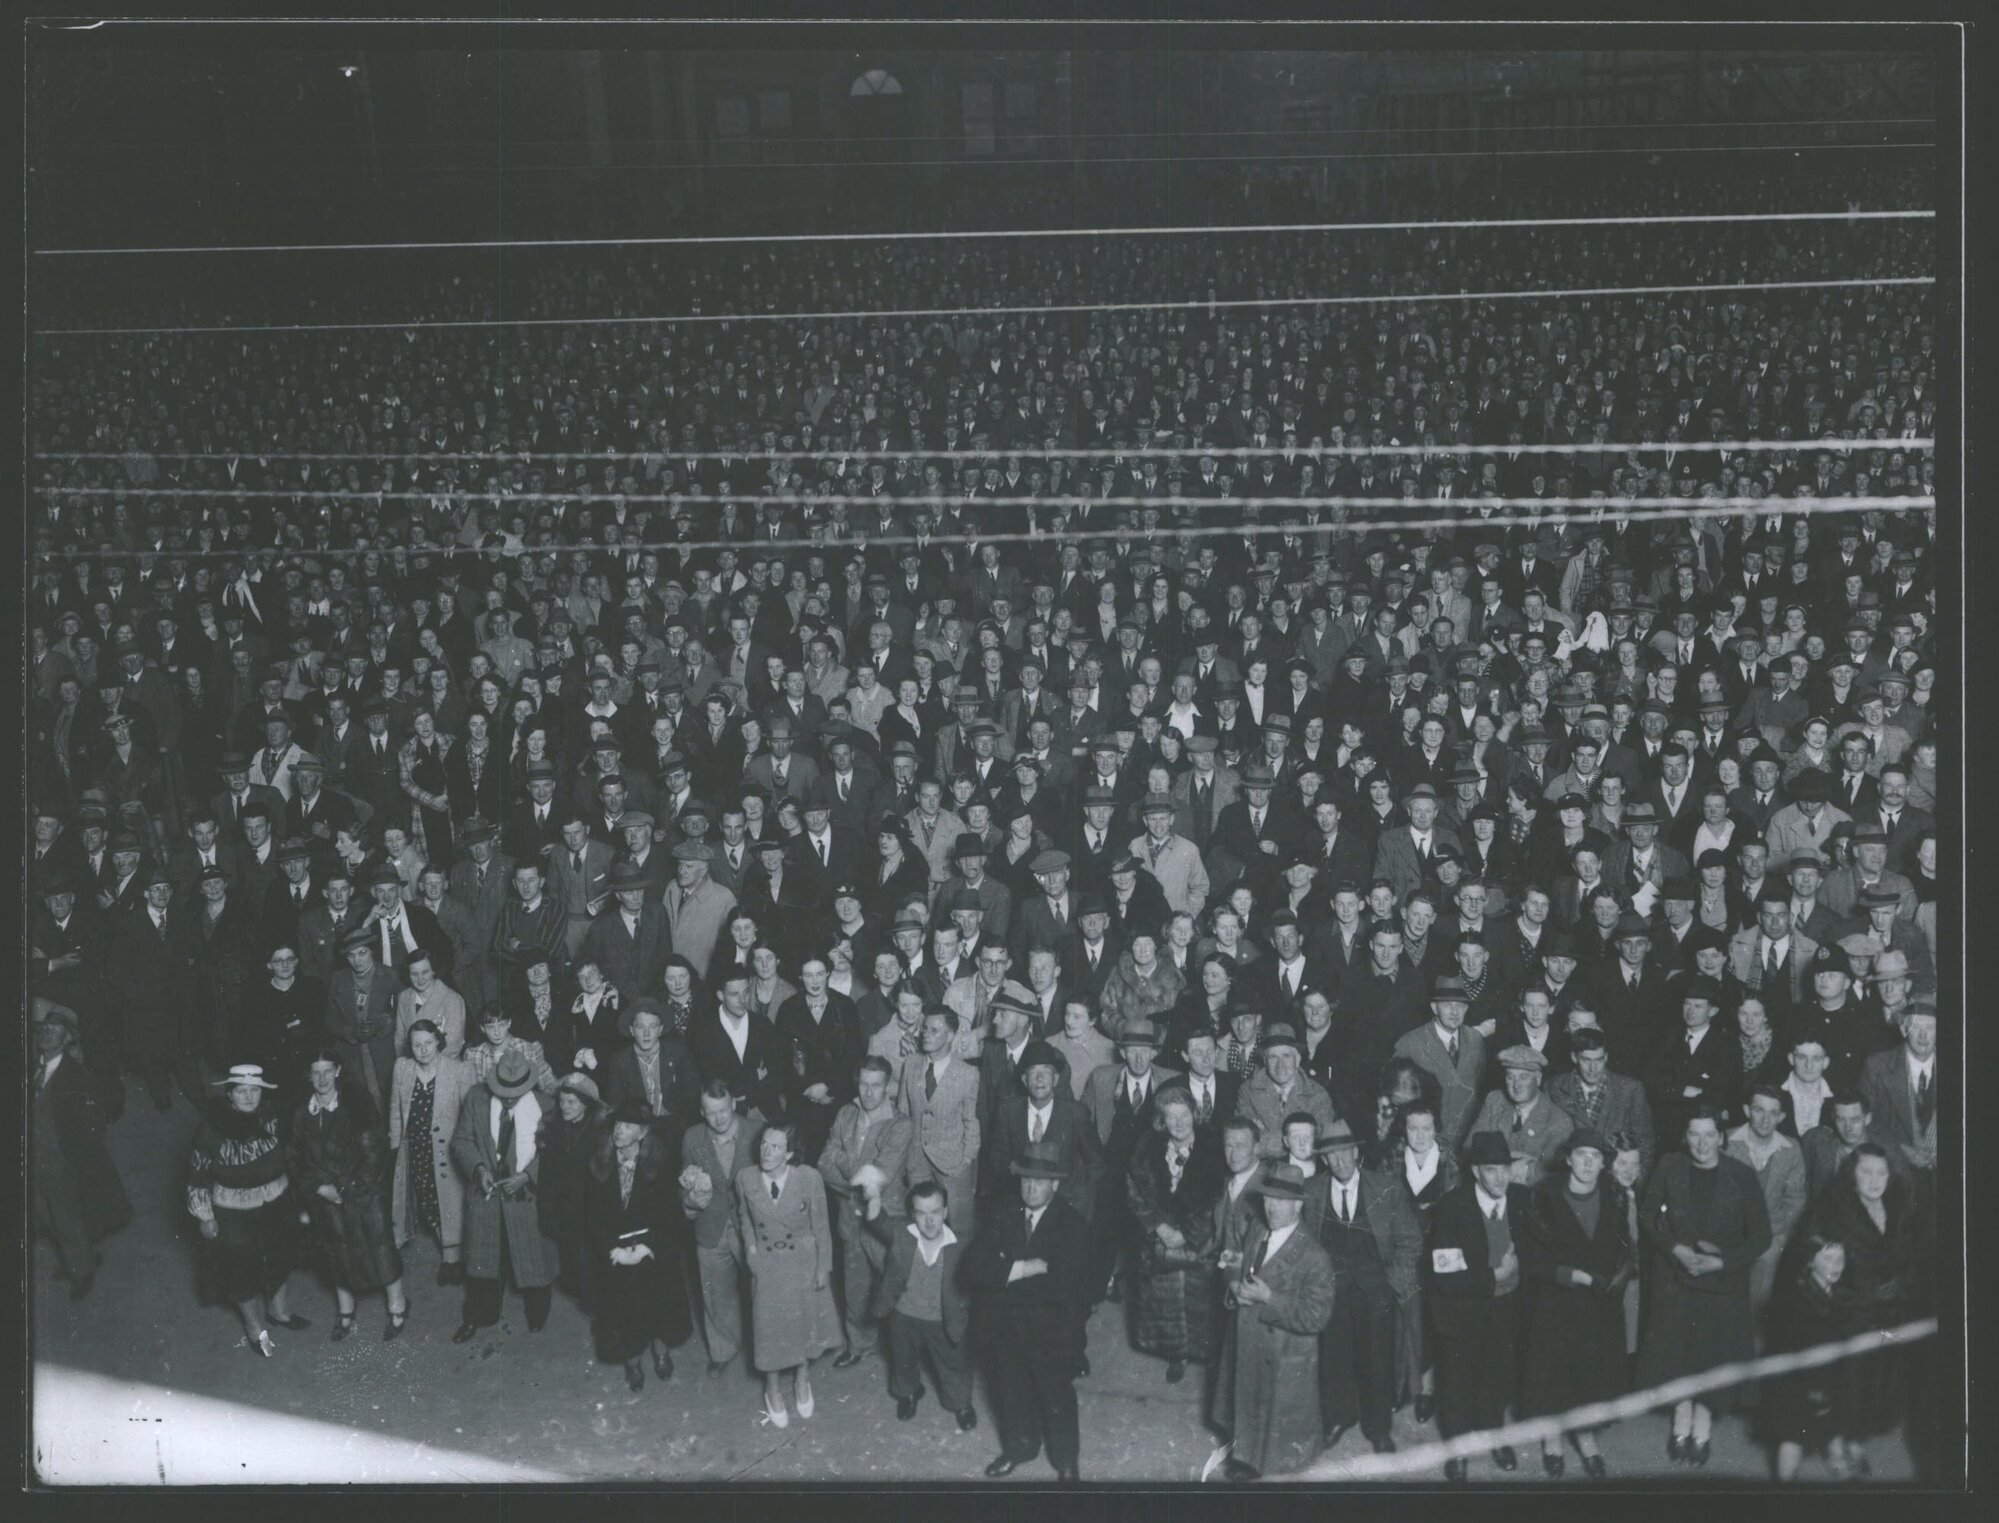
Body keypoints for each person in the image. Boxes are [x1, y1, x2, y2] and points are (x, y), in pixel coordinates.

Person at [1637, 1105, 1773, 1466]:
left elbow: (1762, 1236)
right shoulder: (1669, 1165)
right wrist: (1676, 1249)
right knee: (1679, 1355)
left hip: (1721, 1282)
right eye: (1694, 1134)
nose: (1701, 1143)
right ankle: (1681, 1420)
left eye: (1709, 1134)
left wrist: (1722, 1261)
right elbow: (1648, 1216)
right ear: (1685, 1136)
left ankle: (1702, 1426)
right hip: (1676, 1278)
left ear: (1721, 1137)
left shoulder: (1741, 1175)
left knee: (1711, 1355)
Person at [963, 1140, 1091, 1481]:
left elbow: (1066, 1290)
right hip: (1005, 1328)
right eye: (1025, 1179)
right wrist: (1024, 1268)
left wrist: (1003, 1273)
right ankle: (1020, 1448)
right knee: (1011, 1391)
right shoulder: (1004, 1212)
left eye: (1038, 1181)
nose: (1030, 1188)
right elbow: (973, 1266)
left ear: (1055, 1183)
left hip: (1052, 1331)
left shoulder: (1072, 1225)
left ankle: (1065, 1460)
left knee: (1056, 1398)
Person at [1517, 1129, 1636, 1477]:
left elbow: (1626, 1246)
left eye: (1595, 1156)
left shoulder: (1615, 1195)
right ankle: (1552, 1439)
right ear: (1568, 1158)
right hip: (1556, 1300)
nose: (1587, 1162)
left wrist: (1623, 1271)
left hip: (1600, 1301)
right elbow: (1530, 1256)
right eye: (1581, 1154)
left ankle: (1586, 1438)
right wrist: (1570, 1276)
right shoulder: (1543, 1196)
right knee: (1554, 1373)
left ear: (1603, 1164)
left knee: (1591, 1373)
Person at [1302, 1116, 1421, 1456]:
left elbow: (1410, 1240)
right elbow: (1302, 1241)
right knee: (1333, 1357)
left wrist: (1393, 1284)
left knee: (1378, 1360)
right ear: (1323, 1159)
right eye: (1331, 1155)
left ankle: (1379, 1427)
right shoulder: (1312, 1192)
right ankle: (1338, 1418)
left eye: (1344, 1152)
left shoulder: (1385, 1186)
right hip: (1332, 1291)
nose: (1338, 1161)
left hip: (1376, 1291)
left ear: (1356, 1152)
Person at [1809, 1144, 1928, 1477]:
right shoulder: (1834, 1211)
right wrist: (1863, 1292)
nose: (1874, 1181)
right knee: (1844, 1380)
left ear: (1890, 1176)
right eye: (1866, 1172)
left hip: (1889, 1314)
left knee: (1876, 1382)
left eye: (1881, 1173)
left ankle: (1855, 1440)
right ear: (1852, 1174)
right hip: (1847, 1313)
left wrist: (1899, 1287)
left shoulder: (1898, 1206)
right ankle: (1834, 1444)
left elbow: (1909, 1260)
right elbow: (1823, 1268)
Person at [1212, 1161, 1336, 1481]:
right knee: (1246, 1403)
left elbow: (1316, 1316)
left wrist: (1269, 1299)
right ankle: (1245, 1457)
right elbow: (1234, 1260)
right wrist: (1233, 1287)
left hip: (1283, 1350)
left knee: (1274, 1419)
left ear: (1298, 1205)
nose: (1272, 1207)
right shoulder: (1257, 1229)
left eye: (1281, 1201)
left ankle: (1259, 1465)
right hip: (1247, 1338)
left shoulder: (1315, 1256)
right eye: (1268, 1199)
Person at [1422, 1130, 1530, 1481]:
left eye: (1506, 1169)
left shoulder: (1522, 1199)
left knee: (1498, 1377)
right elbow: (1447, 1278)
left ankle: (1495, 1435)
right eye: (1491, 1170)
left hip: (1506, 1310)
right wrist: (1496, 1274)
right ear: (1475, 1172)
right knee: (1458, 1383)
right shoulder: (1452, 1208)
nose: (1501, 1178)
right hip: (1462, 1312)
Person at [186, 1064, 309, 1357]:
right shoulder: (210, 1129)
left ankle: (280, 1311)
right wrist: (204, 1215)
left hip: (275, 1199)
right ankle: (256, 1329)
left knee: (281, 1254)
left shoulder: (272, 1116)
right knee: (241, 1269)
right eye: (242, 1091)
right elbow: (198, 1174)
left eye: (255, 1090)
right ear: (230, 1094)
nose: (249, 1096)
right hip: (233, 1209)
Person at [291, 1050, 409, 1341]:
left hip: (362, 1195)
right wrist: (319, 1188)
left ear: (338, 1071)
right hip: (324, 1197)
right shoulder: (301, 1113)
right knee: (336, 1253)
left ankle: (398, 1306)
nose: (322, 1078)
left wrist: (343, 1189)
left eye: (327, 1071)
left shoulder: (357, 1105)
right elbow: (294, 1157)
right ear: (309, 1075)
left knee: (380, 1250)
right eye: (316, 1072)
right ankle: (346, 1311)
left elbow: (373, 1154)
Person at [449, 1047, 561, 1342]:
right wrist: (478, 1170)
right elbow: (461, 1140)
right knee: (483, 1262)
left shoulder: (546, 1106)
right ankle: (478, 1316)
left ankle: (537, 1314)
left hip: (527, 1199)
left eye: (516, 1092)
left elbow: (555, 1152)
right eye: (504, 1091)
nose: (509, 1097)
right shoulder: (476, 1098)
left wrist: (527, 1176)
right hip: (486, 1197)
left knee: (534, 1260)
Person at [736, 1117, 842, 1429]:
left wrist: (823, 1267)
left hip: (803, 1260)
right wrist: (751, 1251)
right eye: (764, 1144)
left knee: (803, 1324)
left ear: (790, 1154)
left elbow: (822, 1226)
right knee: (769, 1330)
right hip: (768, 1263)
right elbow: (744, 1217)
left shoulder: (808, 1178)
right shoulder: (745, 1178)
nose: (766, 1152)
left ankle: (802, 1380)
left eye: (776, 1147)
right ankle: (771, 1389)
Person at [587, 1101, 694, 1391]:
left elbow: (670, 1215)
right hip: (615, 1252)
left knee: (658, 1306)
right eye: (617, 1125)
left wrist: (647, 1247)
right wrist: (614, 1250)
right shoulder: (598, 1161)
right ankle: (632, 1363)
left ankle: (661, 1353)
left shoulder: (661, 1163)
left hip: (653, 1250)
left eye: (628, 1126)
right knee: (624, 1312)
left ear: (643, 1132)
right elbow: (592, 1214)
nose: (619, 1131)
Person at [1127, 1085, 1226, 1386]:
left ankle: (1208, 1355)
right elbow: (1133, 1190)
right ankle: (1177, 1355)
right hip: (1160, 1239)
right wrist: (1158, 1226)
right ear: (1162, 1120)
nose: (1179, 1123)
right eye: (1172, 1117)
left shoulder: (1214, 1149)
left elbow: (1220, 1199)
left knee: (1203, 1301)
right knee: (1167, 1301)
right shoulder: (1147, 1148)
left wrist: (1187, 1234)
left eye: (1184, 1115)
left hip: (1201, 1239)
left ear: (1194, 1115)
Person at [819, 1055, 914, 1369]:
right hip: (849, 1215)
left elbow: (881, 1176)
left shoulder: (901, 1125)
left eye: (876, 1085)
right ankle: (859, 1344)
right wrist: (857, 1177)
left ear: (888, 1087)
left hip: (885, 1217)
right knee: (855, 1285)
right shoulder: (846, 1112)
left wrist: (844, 1163)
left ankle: (903, 1350)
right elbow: (823, 1162)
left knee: (893, 1285)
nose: (869, 1092)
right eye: (863, 1084)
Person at [30, 1003, 130, 1300]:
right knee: (42, 1214)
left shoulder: (76, 1076)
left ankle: (81, 1268)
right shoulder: (31, 1066)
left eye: (57, 1031)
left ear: (68, 1039)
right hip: (31, 1157)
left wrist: (75, 1159)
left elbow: (93, 1123)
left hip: (58, 1159)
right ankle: (79, 1252)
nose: (48, 1034)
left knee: (64, 1215)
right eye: (45, 1028)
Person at [871, 1178, 977, 1429]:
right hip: (903, 1315)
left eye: (935, 1213)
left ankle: (960, 1403)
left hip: (943, 1320)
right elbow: (876, 1220)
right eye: (921, 1213)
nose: (929, 1221)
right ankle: (908, 1393)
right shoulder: (902, 1234)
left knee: (953, 1364)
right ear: (912, 1215)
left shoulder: (961, 1244)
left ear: (946, 1212)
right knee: (902, 1359)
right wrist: (873, 1190)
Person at [680, 1080, 761, 1375]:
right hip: (711, 1226)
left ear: (734, 1105)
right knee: (715, 1294)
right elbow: (684, 1181)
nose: (719, 1118)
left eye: (723, 1110)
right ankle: (723, 1349)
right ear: (701, 1112)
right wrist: (691, 1201)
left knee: (761, 1289)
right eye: (711, 1112)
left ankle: (767, 1349)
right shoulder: (692, 1137)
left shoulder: (756, 1131)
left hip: (751, 1226)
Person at [388, 1017, 476, 1285]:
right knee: (428, 1201)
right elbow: (395, 1108)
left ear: (438, 1041)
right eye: (417, 1045)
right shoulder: (402, 1068)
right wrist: (394, 1146)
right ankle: (449, 1252)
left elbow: (470, 1116)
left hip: (449, 1151)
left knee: (452, 1203)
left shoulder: (459, 1070)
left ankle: (453, 1259)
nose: (423, 1049)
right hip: (416, 1148)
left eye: (428, 1043)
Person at [1763, 1233, 1852, 1480]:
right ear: (1810, 1262)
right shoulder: (1797, 1300)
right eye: (1828, 1259)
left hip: (1829, 1378)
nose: (1836, 1265)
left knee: (1835, 1425)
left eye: (1841, 1259)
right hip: (1799, 1382)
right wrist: (1814, 1387)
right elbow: (1793, 1349)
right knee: (1792, 1436)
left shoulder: (1838, 1294)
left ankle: (1837, 1460)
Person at [1726, 1083, 1809, 1331]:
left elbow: (1795, 1201)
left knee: (1758, 1312)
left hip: (1770, 1242)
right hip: (1729, 1240)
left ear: (1782, 1116)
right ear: (1746, 1110)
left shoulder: (1791, 1148)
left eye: (1773, 1113)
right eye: (1759, 1110)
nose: (1765, 1119)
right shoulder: (1725, 1141)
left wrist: (1779, 1241)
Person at [897, 1005, 982, 1236]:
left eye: (935, 1030)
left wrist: (966, 1159)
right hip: (916, 1162)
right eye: (925, 1029)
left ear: (951, 1036)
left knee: (960, 1227)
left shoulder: (967, 1074)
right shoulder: (911, 1064)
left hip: (953, 1162)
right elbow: (902, 1113)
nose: (926, 1034)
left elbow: (971, 1120)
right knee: (919, 1227)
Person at [538, 1071, 608, 1308]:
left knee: (590, 1252)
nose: (564, 1107)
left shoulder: (601, 1131)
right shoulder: (553, 1125)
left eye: (571, 1102)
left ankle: (592, 1299)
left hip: (590, 1202)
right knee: (569, 1248)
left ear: (586, 1105)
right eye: (562, 1101)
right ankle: (574, 1285)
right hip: (564, 1199)